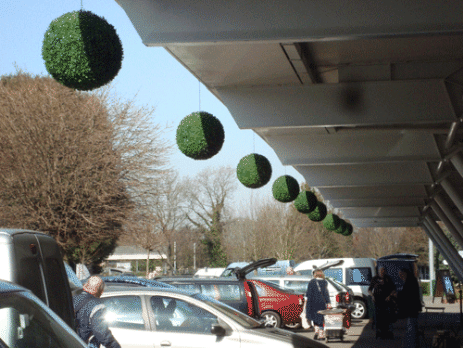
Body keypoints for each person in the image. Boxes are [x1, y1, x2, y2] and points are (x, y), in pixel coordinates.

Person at [73, 276, 121, 348]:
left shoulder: (72, 299)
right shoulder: (97, 306)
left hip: (69, 341)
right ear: (101, 291)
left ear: (85, 286)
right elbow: (101, 332)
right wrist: (115, 346)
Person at [368, 266, 397, 339]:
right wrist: (372, 296)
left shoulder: (388, 279)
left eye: (383, 270)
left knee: (387, 317)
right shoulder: (375, 279)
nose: (382, 272)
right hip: (377, 301)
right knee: (378, 317)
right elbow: (369, 290)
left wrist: (389, 296)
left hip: (387, 301)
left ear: (385, 271)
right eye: (381, 271)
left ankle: (388, 332)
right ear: (379, 271)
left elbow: (393, 289)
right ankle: (379, 332)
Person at [398, 268, 422, 348]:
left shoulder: (410, 281)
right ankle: (413, 343)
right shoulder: (411, 280)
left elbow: (407, 294)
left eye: (401, 274)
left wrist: (398, 295)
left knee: (411, 327)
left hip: (412, 309)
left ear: (405, 273)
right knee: (412, 327)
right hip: (412, 309)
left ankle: (412, 344)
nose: (400, 277)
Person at [305, 269, 332, 340]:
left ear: (315, 274)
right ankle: (321, 335)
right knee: (321, 319)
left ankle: (316, 331)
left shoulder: (311, 282)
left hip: (312, 302)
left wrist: (306, 303)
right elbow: (326, 293)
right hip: (321, 303)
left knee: (314, 318)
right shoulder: (324, 282)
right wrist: (328, 302)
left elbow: (308, 294)